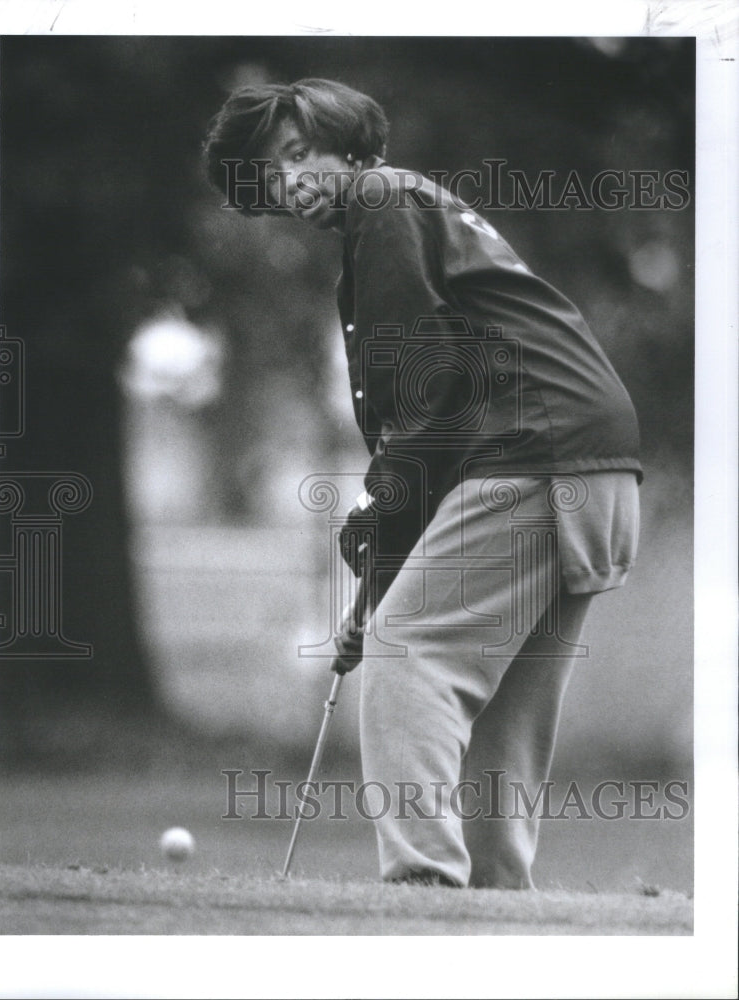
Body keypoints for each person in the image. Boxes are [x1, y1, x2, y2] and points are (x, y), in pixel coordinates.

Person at [203, 78, 642, 889]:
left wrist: (383, 509)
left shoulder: (379, 197)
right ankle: (493, 906)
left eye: (300, 155)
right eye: (271, 175)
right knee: (503, 707)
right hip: (590, 460)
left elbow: (424, 385)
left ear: (349, 144)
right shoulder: (406, 203)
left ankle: (423, 891)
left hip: (534, 450)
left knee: (409, 656)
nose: (291, 180)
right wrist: (389, 548)